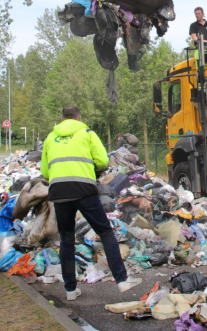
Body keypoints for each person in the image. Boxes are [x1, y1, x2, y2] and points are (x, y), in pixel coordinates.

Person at [41, 106, 141, 301]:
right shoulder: (87, 133)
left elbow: (45, 171)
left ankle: (70, 290)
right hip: (83, 189)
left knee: (67, 239)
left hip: (59, 192)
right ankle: (121, 280)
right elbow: (102, 160)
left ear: (61, 119)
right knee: (105, 232)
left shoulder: (50, 137)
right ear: (79, 117)